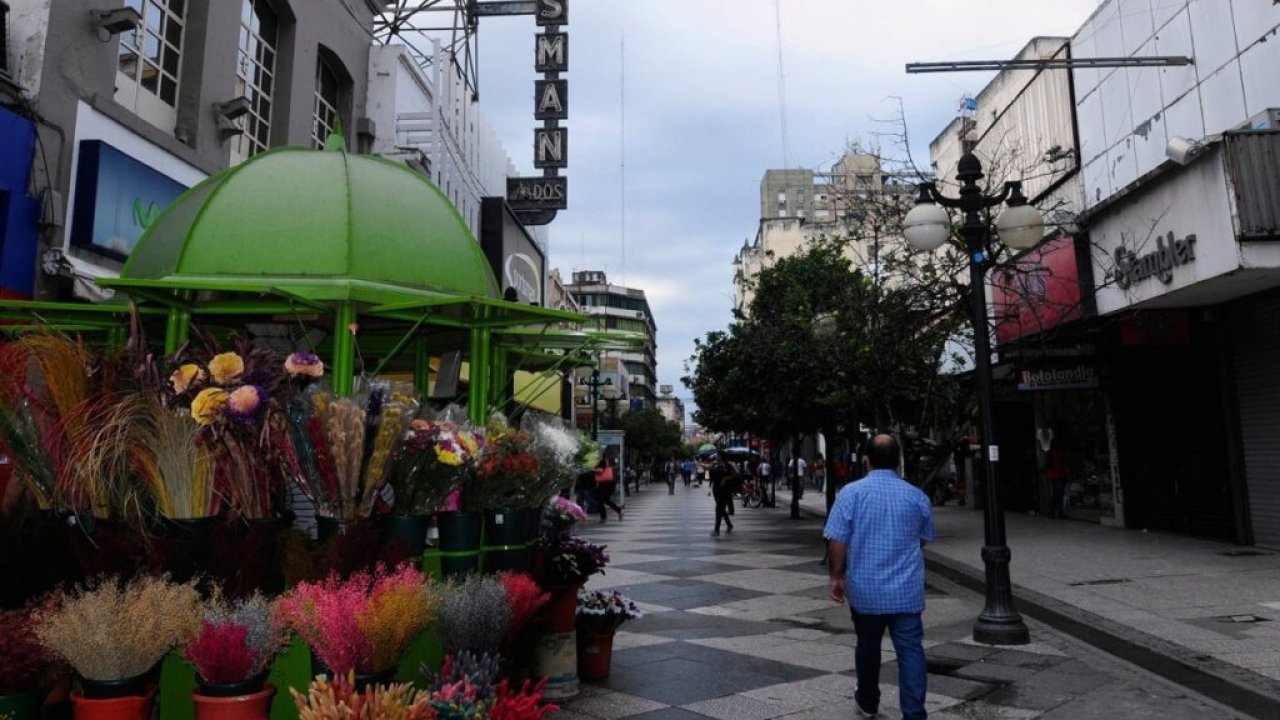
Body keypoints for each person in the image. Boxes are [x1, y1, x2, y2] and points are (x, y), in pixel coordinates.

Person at [824, 434, 935, 720]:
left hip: (866, 588)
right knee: (910, 650)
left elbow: (837, 539)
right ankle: (913, 713)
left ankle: (868, 701)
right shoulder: (916, 496)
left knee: (868, 645)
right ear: (898, 460)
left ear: (867, 460)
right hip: (907, 591)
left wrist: (836, 575)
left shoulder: (850, 493)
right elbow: (922, 538)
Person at [708, 454, 738, 536]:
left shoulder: (728, 466)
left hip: (724, 490)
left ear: (722, 458)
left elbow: (735, 475)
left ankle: (716, 530)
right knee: (721, 508)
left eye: (719, 457)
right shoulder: (715, 465)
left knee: (718, 508)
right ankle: (729, 524)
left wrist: (725, 479)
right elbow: (709, 470)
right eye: (717, 457)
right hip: (716, 489)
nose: (717, 458)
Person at [594, 458, 624, 523]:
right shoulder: (607, 466)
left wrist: (591, 469)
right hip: (609, 484)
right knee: (606, 501)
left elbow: (600, 471)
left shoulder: (601, 465)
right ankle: (619, 511)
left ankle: (603, 517)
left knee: (600, 501)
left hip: (604, 485)